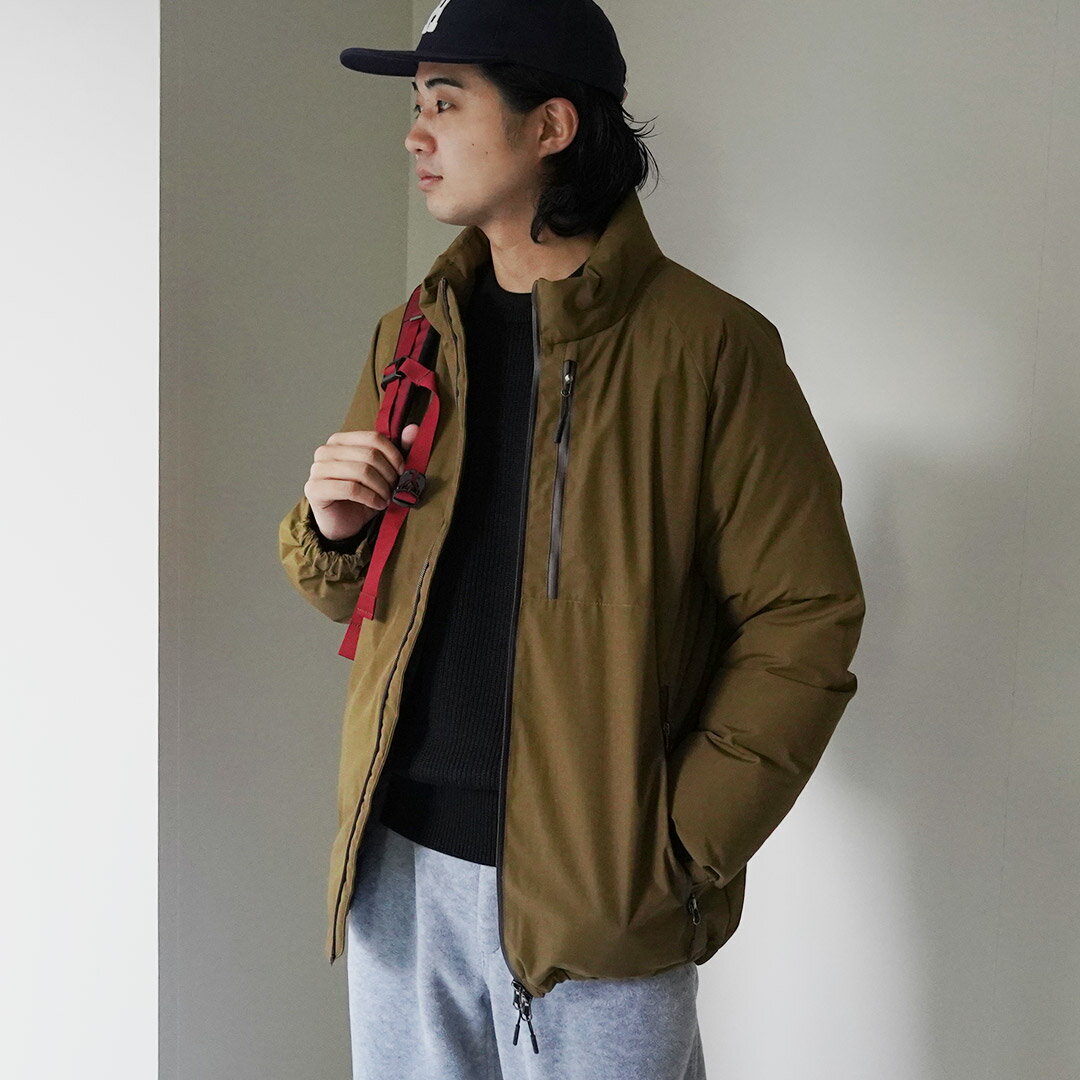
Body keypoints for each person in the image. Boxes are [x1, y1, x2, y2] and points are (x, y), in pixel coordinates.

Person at [277, 1, 866, 1076]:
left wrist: (674, 851)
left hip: (597, 895)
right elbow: (358, 597)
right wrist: (333, 529)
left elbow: (805, 617)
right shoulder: (415, 333)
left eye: (445, 103)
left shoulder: (711, 349)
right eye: (417, 105)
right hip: (398, 867)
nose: (415, 133)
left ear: (551, 125)